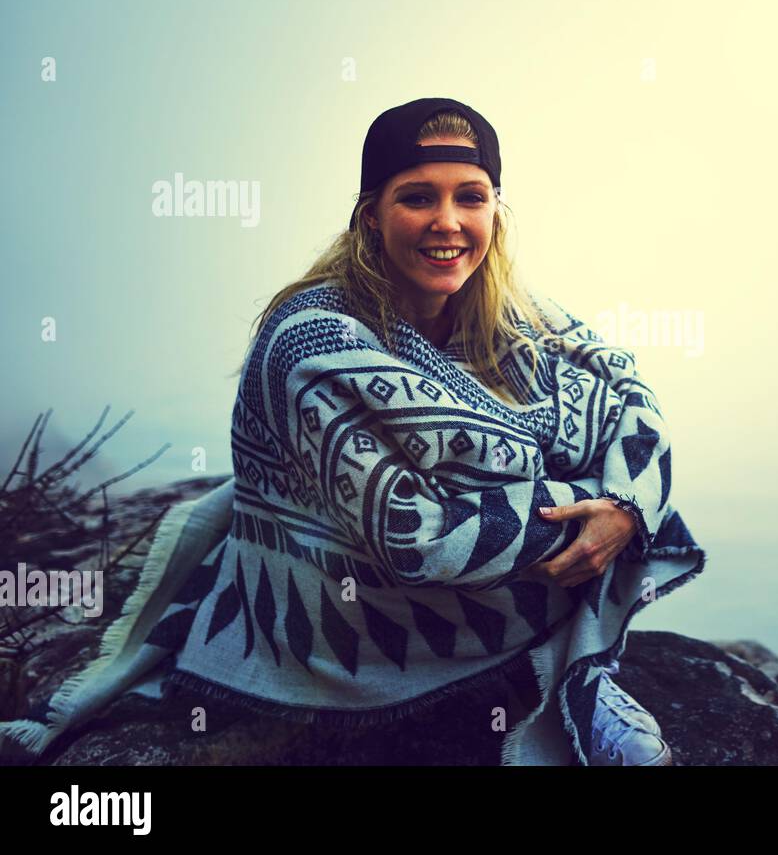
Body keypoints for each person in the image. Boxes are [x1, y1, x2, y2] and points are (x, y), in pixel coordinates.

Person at [0, 97, 706, 766]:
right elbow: (414, 530)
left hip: (493, 560)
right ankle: (564, 664)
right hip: (354, 606)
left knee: (622, 505)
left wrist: (620, 508)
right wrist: (596, 505)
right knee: (591, 530)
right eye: (417, 196)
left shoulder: (514, 316)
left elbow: (628, 397)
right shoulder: (309, 336)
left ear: (497, 210)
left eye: (471, 196)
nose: (448, 221)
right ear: (371, 214)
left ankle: (577, 673)